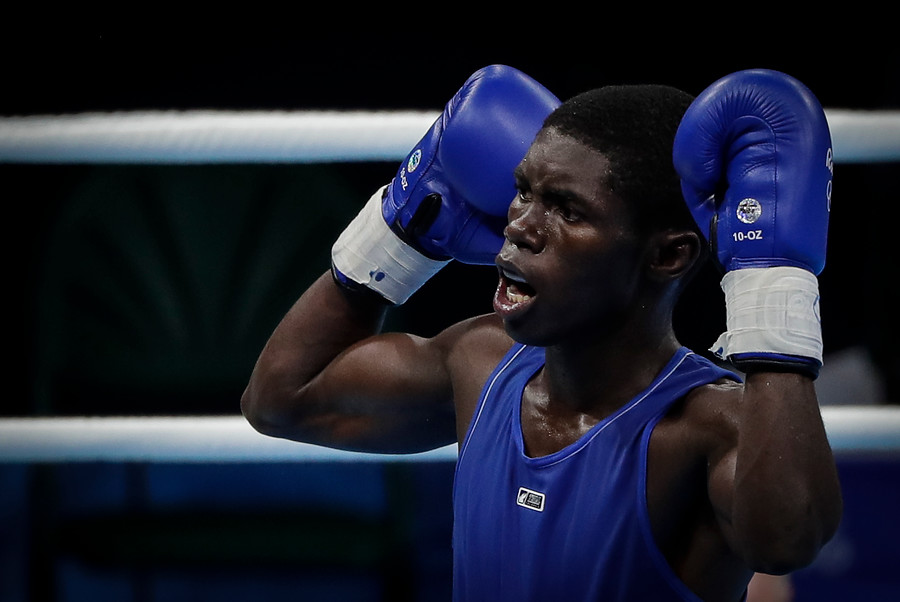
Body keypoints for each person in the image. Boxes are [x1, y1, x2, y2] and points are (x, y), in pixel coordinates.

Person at [241, 64, 843, 601]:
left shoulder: (708, 425)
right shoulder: (480, 361)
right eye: (524, 192)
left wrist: (772, 294)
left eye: (567, 209)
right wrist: (396, 234)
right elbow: (281, 400)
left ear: (668, 256)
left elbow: (785, 541)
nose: (520, 226)